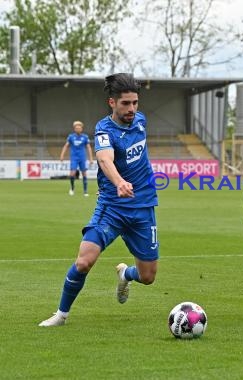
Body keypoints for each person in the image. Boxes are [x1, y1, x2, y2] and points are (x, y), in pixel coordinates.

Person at [39, 73, 159, 326]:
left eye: (135, 102)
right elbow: (104, 159)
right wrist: (119, 183)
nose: (132, 109)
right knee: (84, 261)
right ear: (112, 103)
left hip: (144, 207)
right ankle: (61, 315)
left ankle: (126, 273)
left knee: (148, 276)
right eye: (126, 103)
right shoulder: (104, 129)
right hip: (113, 207)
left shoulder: (140, 121)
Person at [60, 120, 93, 196]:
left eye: (79, 128)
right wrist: (62, 155)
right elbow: (66, 146)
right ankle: (72, 188)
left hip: (82, 157)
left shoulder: (85, 137)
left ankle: (85, 191)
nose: (78, 129)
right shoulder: (71, 137)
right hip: (74, 157)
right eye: (76, 128)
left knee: (84, 174)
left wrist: (90, 158)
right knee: (72, 174)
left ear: (81, 129)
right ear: (74, 129)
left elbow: (88, 147)